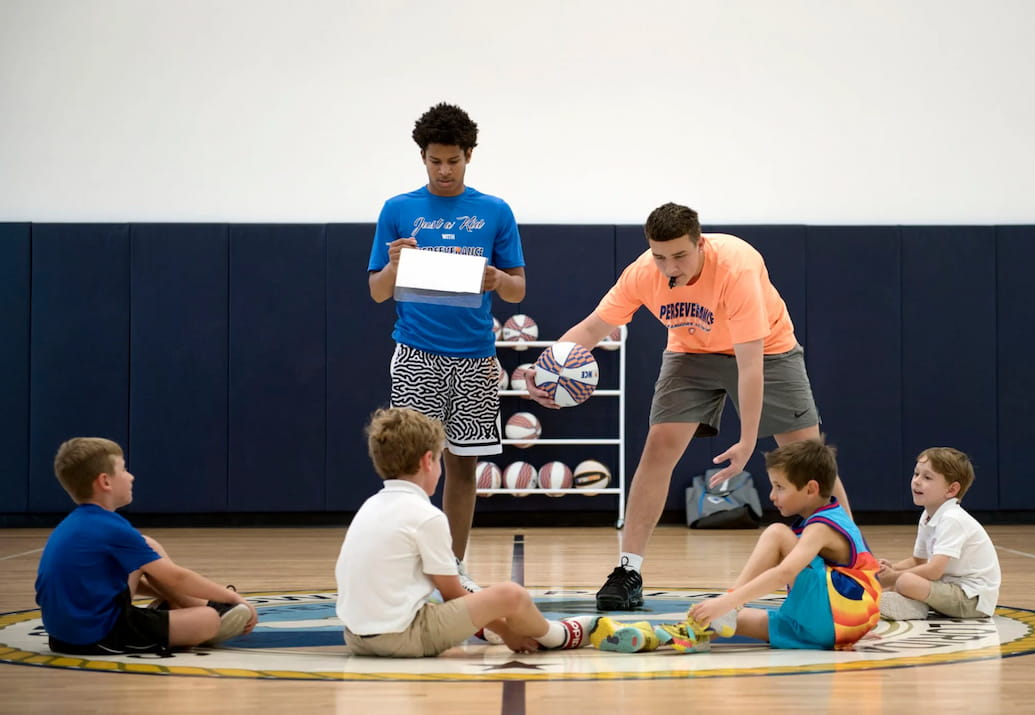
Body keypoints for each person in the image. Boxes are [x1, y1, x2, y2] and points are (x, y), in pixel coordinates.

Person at [524, 202, 849, 610]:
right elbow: (593, 327)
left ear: (700, 243)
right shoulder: (643, 273)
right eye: (660, 256)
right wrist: (547, 365)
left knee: (810, 459)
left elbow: (749, 367)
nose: (669, 266)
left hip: (767, 352)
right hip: (691, 352)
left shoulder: (736, 268)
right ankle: (628, 570)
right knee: (658, 447)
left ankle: (855, 566)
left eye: (679, 255)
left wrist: (748, 441)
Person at [368, 102, 526, 592]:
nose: (443, 170)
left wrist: (498, 278)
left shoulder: (495, 211)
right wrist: (395, 264)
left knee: (463, 466)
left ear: (469, 155)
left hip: (476, 355)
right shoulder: (397, 209)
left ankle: (453, 567)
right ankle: (410, 568)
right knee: (410, 468)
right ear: (422, 157)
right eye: (435, 161)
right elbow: (377, 291)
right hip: (416, 352)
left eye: (452, 160)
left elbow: (518, 289)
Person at [335, 407, 595, 657]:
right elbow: (452, 593)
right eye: (438, 459)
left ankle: (494, 625)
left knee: (431, 602)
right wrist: (506, 633)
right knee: (510, 594)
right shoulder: (428, 517)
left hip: (356, 638)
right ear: (428, 461)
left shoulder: (369, 506)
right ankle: (555, 635)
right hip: (403, 638)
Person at [590, 440, 879, 653]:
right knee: (727, 622)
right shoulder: (823, 519)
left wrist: (728, 600)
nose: (772, 495)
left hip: (833, 612)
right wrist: (722, 610)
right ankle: (659, 639)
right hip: (831, 628)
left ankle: (728, 604)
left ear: (811, 489)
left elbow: (784, 573)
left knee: (776, 534)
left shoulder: (822, 526)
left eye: (780, 487)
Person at [35, 438, 258, 656]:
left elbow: (97, 582)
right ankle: (207, 611)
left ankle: (185, 607)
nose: (131, 476)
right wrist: (234, 598)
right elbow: (177, 578)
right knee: (208, 619)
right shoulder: (112, 528)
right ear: (105, 482)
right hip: (97, 636)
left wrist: (164, 591)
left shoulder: (74, 523)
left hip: (63, 633)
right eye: (124, 470)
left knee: (146, 545)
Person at [875, 447, 1001, 620]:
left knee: (905, 581)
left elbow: (934, 570)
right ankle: (901, 603)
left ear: (951, 490)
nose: (917, 481)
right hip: (948, 587)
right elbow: (918, 561)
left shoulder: (952, 519)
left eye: (927, 477)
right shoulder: (928, 515)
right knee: (899, 580)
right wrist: (892, 568)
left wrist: (893, 578)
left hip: (972, 600)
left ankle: (914, 609)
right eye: (916, 474)